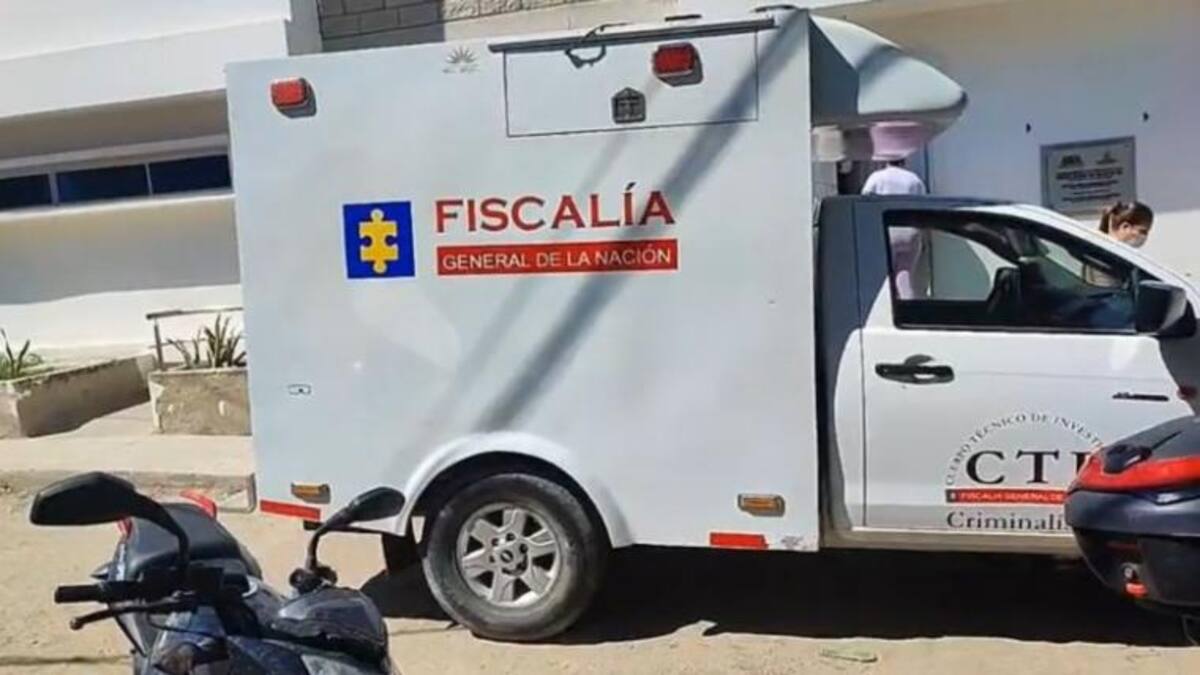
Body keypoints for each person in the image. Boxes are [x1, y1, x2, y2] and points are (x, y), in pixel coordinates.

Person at [862, 159, 927, 298]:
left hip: (887, 230)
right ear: (904, 160)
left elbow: (864, 204)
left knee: (884, 278)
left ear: (886, 160)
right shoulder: (914, 180)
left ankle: (888, 307)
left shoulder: (876, 178)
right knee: (905, 277)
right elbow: (924, 205)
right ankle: (907, 307)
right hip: (910, 231)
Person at [1084, 200, 1154, 287]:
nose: (1144, 236)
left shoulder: (1117, 254)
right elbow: (1107, 289)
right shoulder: (1105, 256)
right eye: (1143, 231)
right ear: (1125, 227)